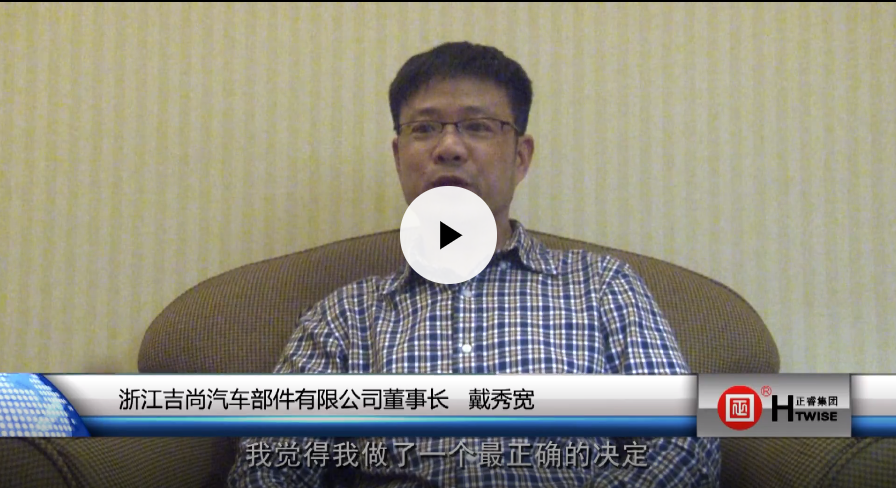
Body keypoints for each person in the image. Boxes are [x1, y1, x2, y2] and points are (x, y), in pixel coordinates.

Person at [228, 41, 721, 488]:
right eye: (424, 128)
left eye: (478, 126)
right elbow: (267, 462)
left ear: (521, 157)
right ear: (399, 156)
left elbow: (682, 439)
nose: (448, 147)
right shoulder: (346, 317)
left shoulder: (602, 287)